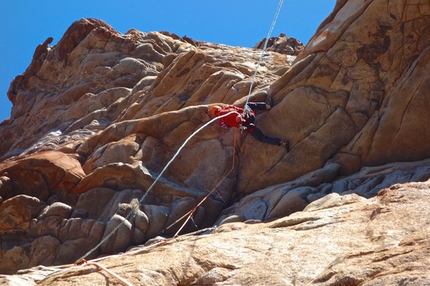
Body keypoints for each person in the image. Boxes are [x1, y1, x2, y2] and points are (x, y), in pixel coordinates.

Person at [209, 100, 290, 151]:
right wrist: (242, 115)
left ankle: (281, 142)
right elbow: (237, 111)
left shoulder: (220, 121)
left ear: (215, 115)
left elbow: (226, 126)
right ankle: (267, 106)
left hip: (247, 127)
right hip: (249, 116)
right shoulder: (226, 108)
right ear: (219, 108)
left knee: (261, 138)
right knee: (248, 105)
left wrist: (237, 121)